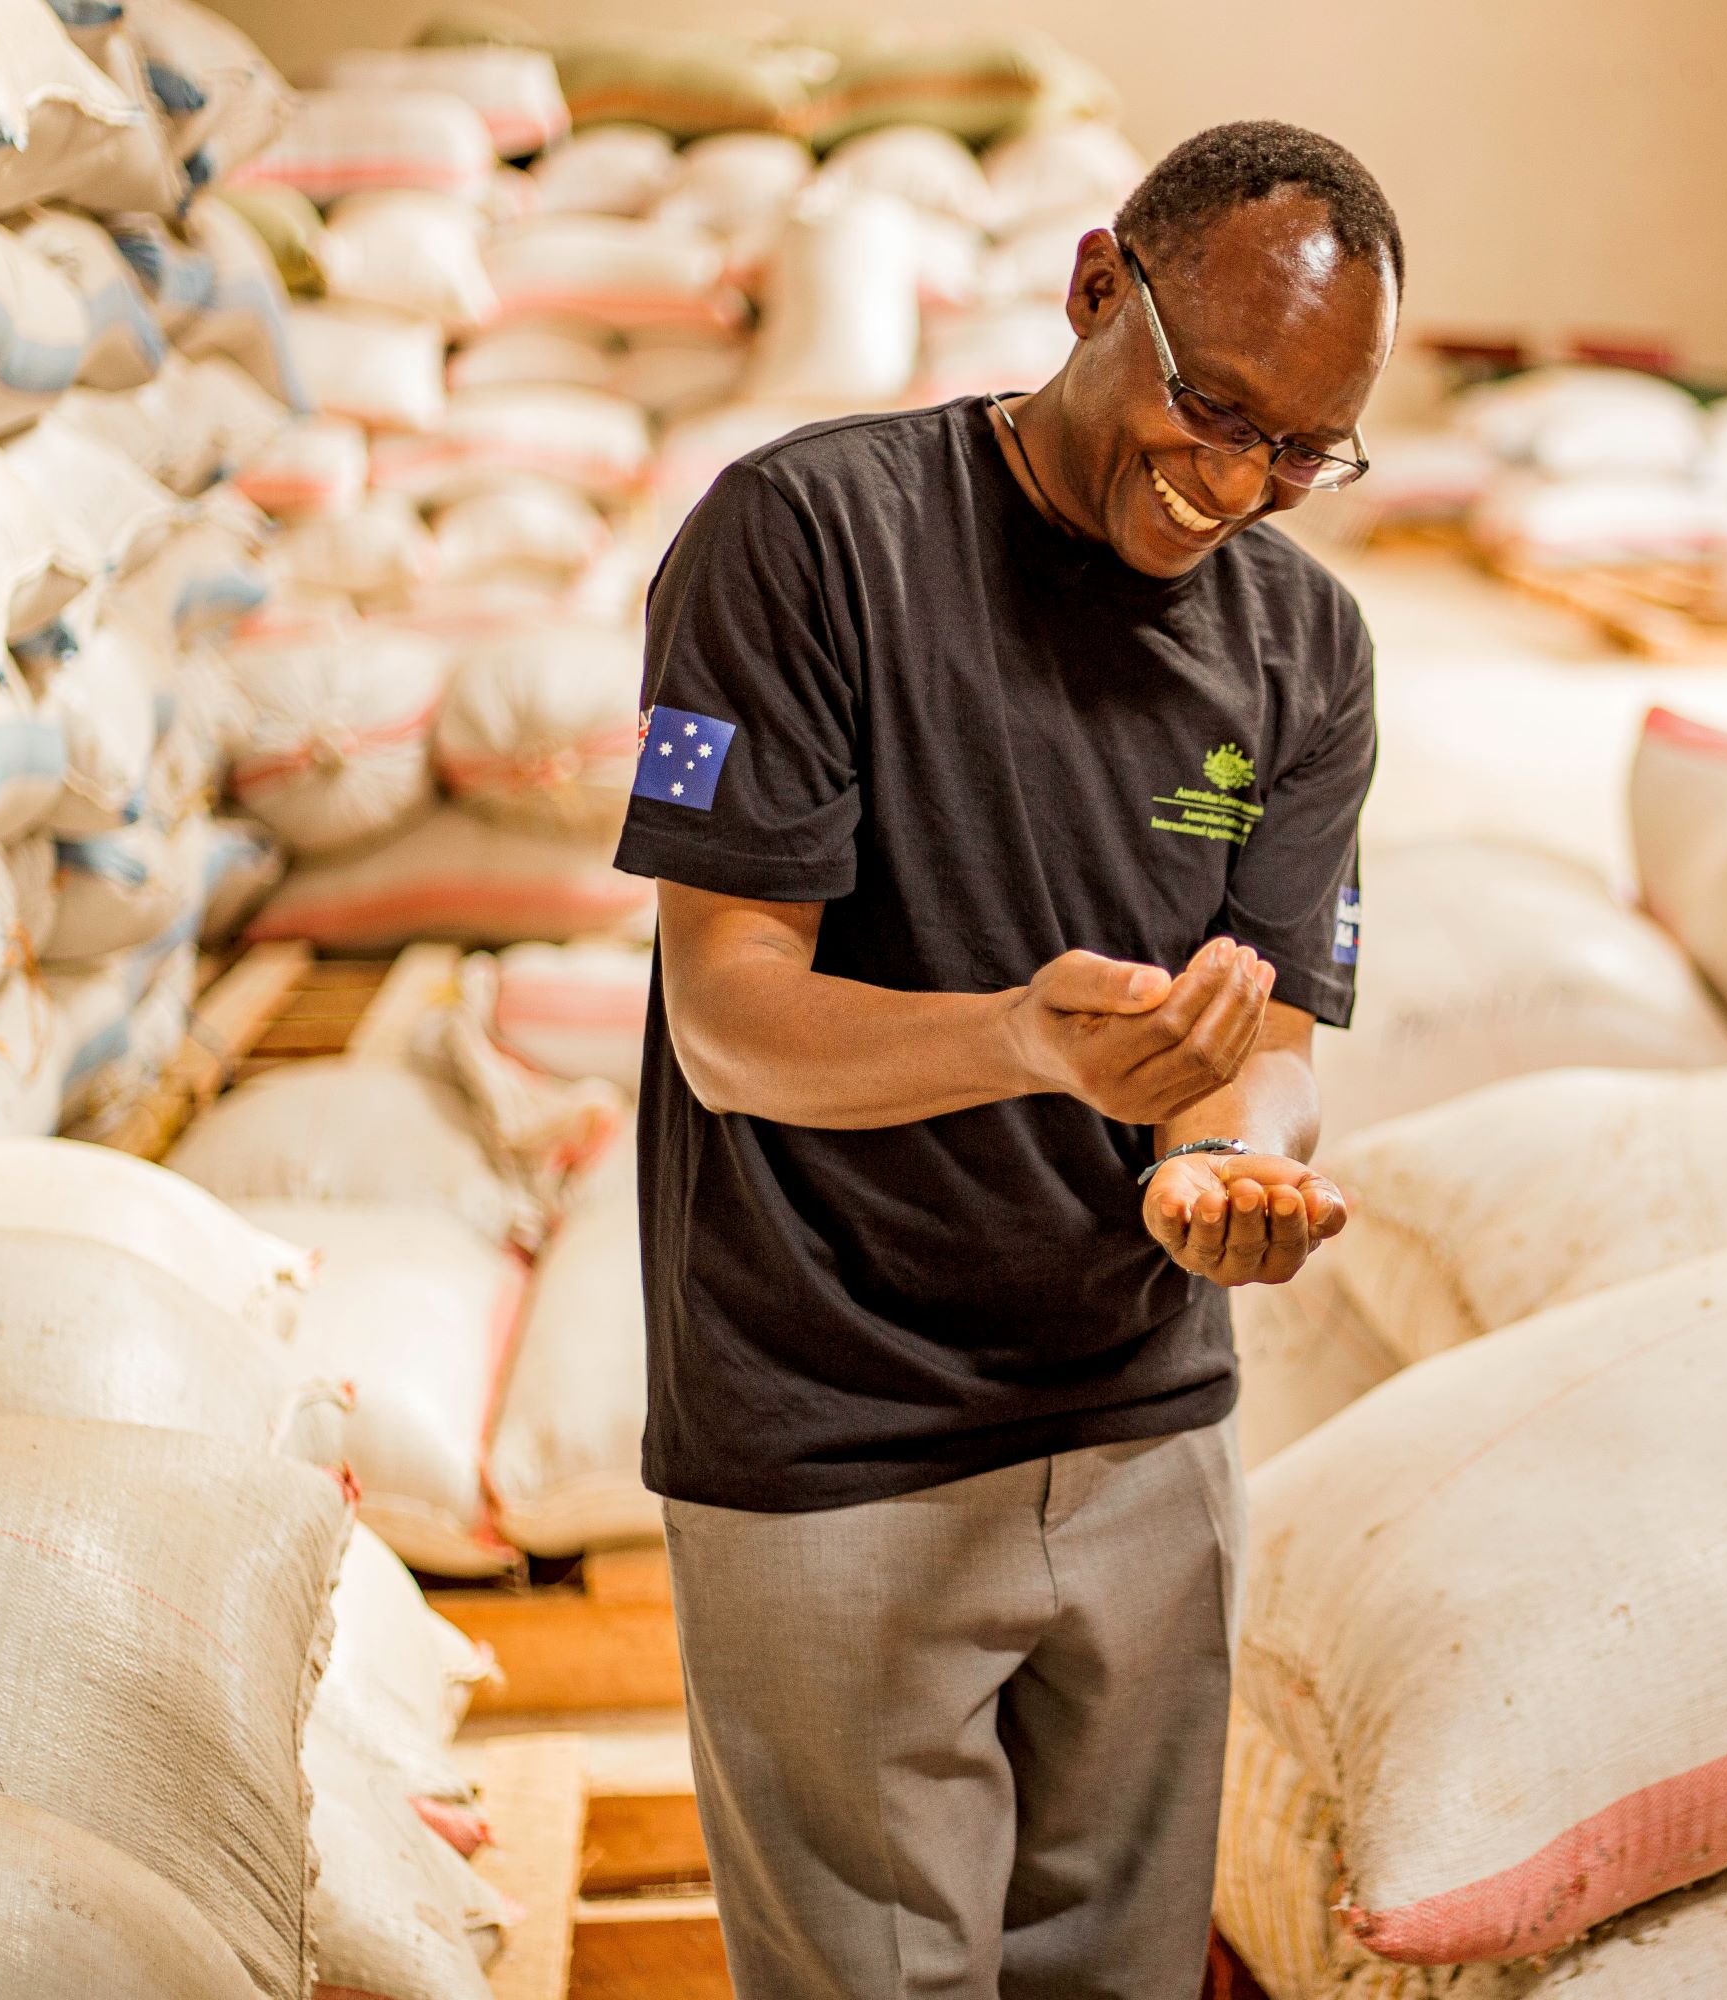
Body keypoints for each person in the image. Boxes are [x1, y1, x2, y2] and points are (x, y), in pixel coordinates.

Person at [611, 121, 1402, 2000]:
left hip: (1145, 1428)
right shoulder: (806, 539)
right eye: (1213, 406)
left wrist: (1241, 1164)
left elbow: (1272, 1034)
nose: (1238, 482)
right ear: (1092, 286)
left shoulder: (1307, 641)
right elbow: (729, 1018)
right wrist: (1024, 1042)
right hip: (832, 1434)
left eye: (1304, 449)